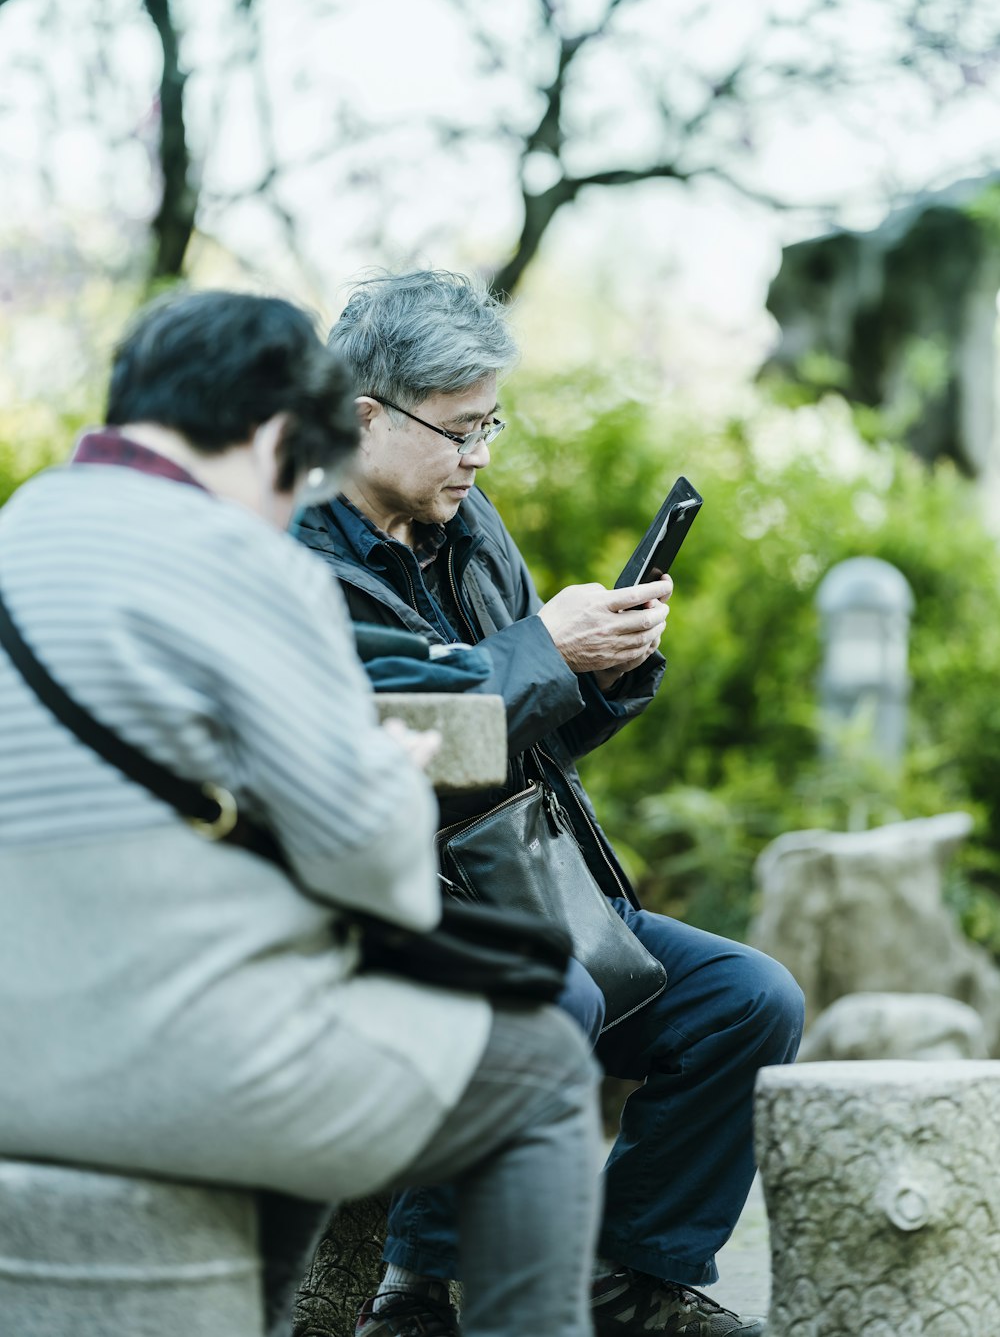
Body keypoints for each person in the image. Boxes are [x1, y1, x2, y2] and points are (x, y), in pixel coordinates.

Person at [0, 289, 604, 1337]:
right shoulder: (252, 563)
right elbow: (372, 865)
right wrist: (385, 767)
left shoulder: (18, 533)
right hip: (171, 1068)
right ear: (281, 434)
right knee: (543, 1067)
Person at [297, 269, 806, 1337]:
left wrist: (603, 670)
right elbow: (391, 746)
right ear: (364, 416)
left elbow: (525, 733)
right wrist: (543, 649)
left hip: (532, 878)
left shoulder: (469, 525)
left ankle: (624, 1277)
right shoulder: (288, 556)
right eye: (461, 428)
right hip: (376, 905)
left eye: (492, 423)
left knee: (748, 999)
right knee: (548, 992)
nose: (481, 455)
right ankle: (414, 1294)